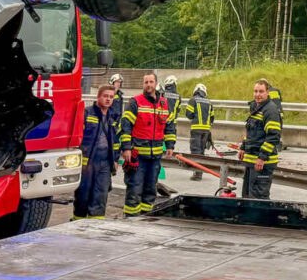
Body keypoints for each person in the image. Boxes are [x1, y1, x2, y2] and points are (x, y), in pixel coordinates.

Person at [119, 72, 175, 215]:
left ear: (156, 83)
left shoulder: (164, 103)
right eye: (146, 82)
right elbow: (125, 127)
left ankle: (146, 217)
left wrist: (170, 145)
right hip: (137, 156)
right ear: (143, 84)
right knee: (135, 188)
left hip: (155, 156)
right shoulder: (135, 102)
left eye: (151, 82)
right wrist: (126, 148)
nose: (148, 85)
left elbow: (169, 126)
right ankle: (131, 218)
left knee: (151, 189)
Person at [73, 84, 120, 220]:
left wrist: (115, 160)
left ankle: (95, 225)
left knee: (101, 194)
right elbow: (78, 136)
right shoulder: (87, 113)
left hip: (105, 162)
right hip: (87, 163)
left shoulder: (113, 116)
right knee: (83, 194)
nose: (108, 99)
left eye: (111, 97)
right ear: (98, 97)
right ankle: (77, 222)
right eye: (105, 96)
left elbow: (116, 141)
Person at [241, 79, 282, 199]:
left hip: (262, 164)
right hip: (252, 161)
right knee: (248, 196)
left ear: (267, 92)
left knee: (258, 198)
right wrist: (243, 147)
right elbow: (251, 132)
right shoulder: (256, 107)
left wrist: (262, 158)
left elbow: (273, 136)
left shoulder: (270, 110)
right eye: (255, 91)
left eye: (261, 91)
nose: (257, 94)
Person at [184, 83, 214, 180]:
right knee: (201, 151)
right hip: (206, 131)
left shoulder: (193, 100)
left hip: (196, 129)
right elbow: (212, 118)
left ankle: (197, 175)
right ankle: (199, 172)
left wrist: (195, 118)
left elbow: (188, 114)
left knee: (195, 151)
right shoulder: (209, 102)